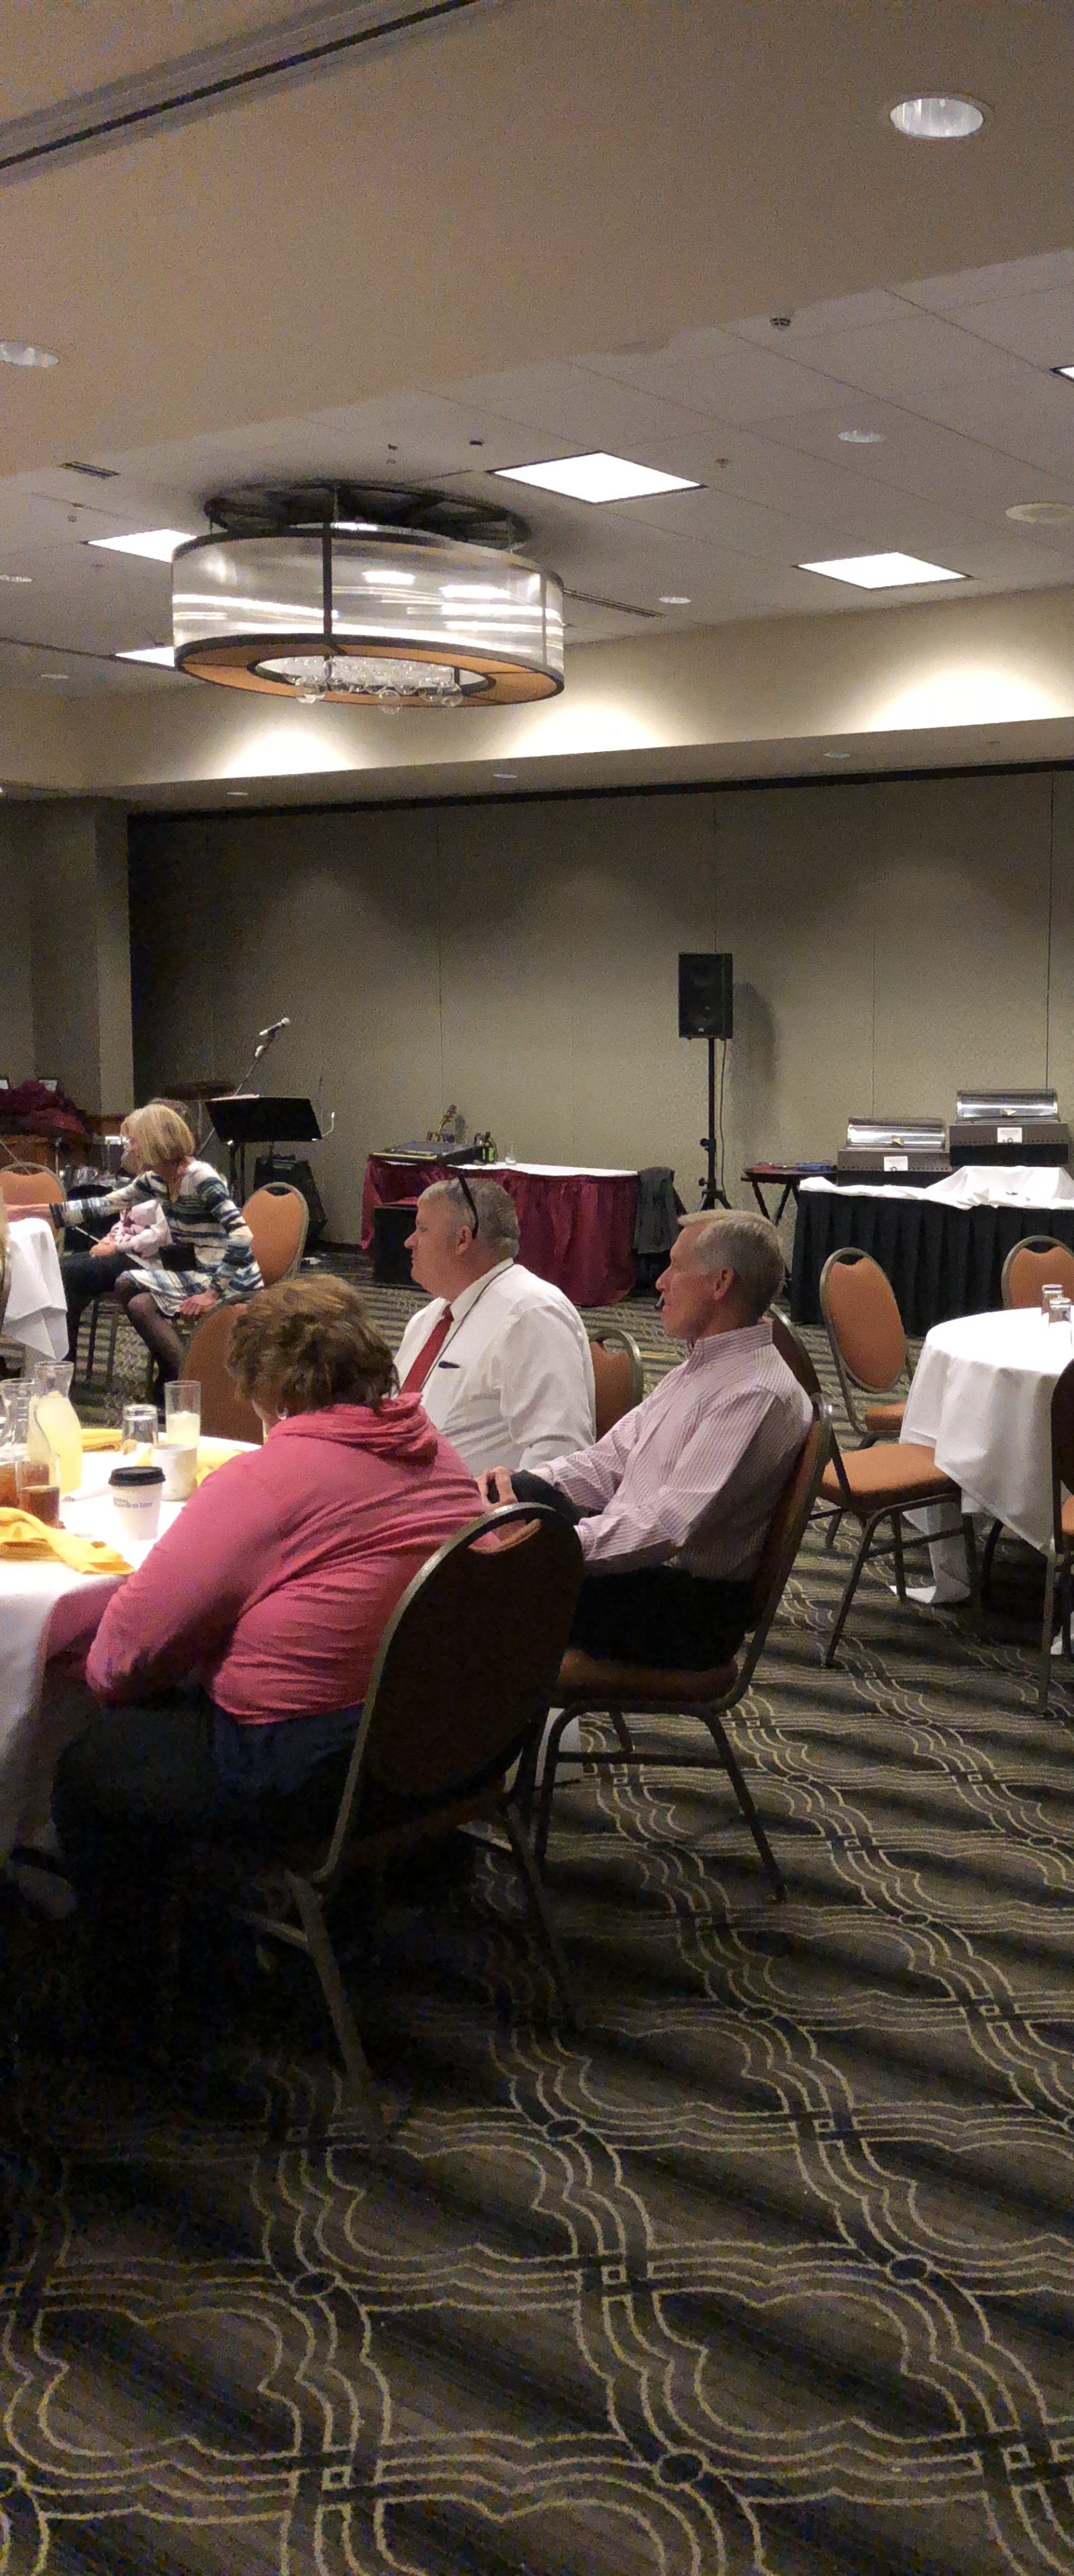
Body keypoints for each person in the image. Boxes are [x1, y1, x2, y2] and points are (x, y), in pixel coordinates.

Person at [50, 1276, 483, 2021]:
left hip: (312, 1765)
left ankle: (125, 2000)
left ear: (271, 1392)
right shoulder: (433, 1449)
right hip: (440, 1738)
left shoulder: (265, 1483)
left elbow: (122, 1656)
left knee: (96, 1763)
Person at [480, 1209, 812, 1670]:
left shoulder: (753, 1391)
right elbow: (609, 1462)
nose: (660, 1282)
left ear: (720, 1284)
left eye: (676, 1267)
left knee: (470, 1589)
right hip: (642, 1574)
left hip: (685, 1609)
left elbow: (669, 1527)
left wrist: (557, 1548)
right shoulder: (701, 1367)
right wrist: (520, 1484)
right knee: (500, 1507)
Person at [393, 1175, 595, 1477]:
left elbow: (559, 1450)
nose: (409, 1241)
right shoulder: (431, 1317)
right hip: (397, 1495)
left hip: (463, 1514)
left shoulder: (531, 1314)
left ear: (463, 1239)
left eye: (422, 1229)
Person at [60, 1100, 262, 1391]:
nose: (131, 1148)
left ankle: (192, 1385)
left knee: (138, 1302)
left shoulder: (201, 1177)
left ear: (154, 1142)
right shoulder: (156, 1179)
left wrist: (212, 1292)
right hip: (201, 1272)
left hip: (230, 1279)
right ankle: (177, 1376)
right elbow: (104, 1204)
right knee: (128, 1287)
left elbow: (242, 1234)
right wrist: (36, 1210)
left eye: (134, 1141)